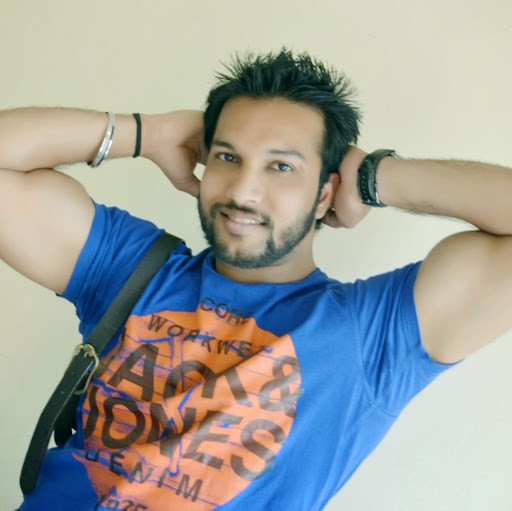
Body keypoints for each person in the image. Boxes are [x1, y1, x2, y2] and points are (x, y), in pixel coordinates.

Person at [1, 49, 510, 511]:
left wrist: (374, 178)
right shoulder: (131, 268)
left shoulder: (373, 336)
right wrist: (148, 132)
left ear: (325, 194)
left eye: (281, 167)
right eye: (228, 157)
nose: (243, 191)